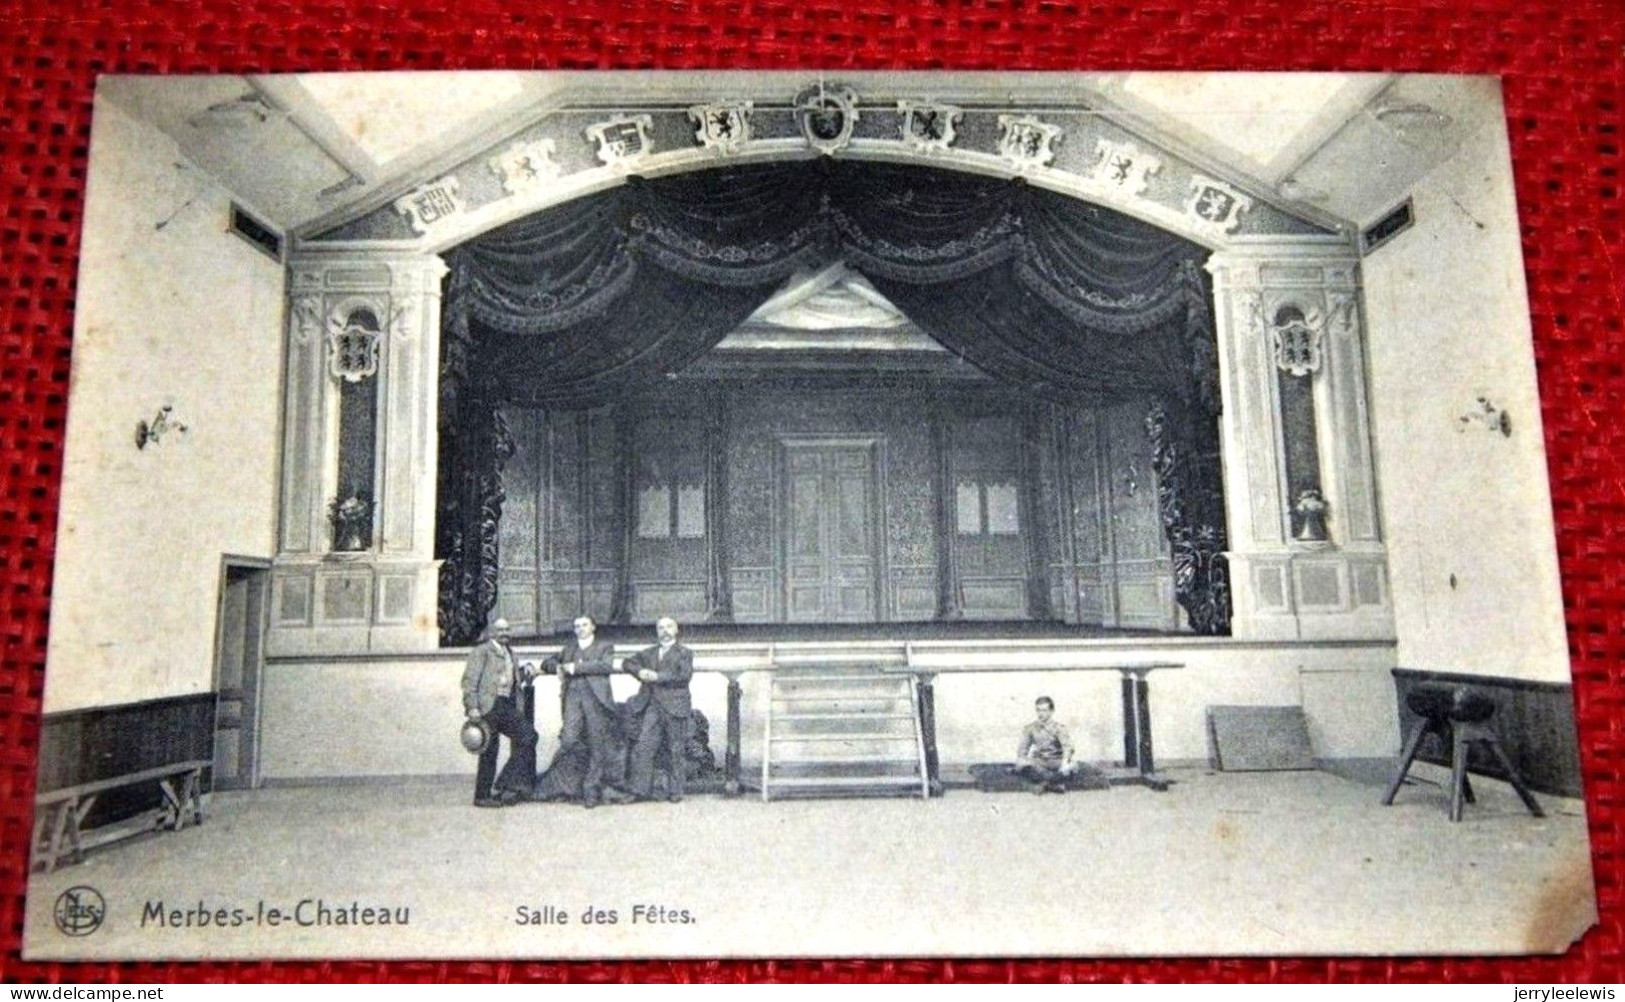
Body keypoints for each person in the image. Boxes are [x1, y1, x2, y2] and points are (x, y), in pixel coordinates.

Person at [538, 615, 618, 808]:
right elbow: (547, 662)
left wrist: (575, 667)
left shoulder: (604, 647)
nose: (580, 629)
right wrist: (556, 666)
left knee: (597, 745)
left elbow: (605, 665)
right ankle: (574, 784)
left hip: (596, 702)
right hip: (573, 702)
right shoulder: (569, 649)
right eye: (577, 626)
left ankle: (590, 790)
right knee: (569, 740)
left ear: (593, 627)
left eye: (584, 625)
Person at [460, 618, 537, 808]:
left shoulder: (510, 652)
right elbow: (470, 681)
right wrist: (472, 707)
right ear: (491, 632)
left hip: (506, 704)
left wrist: (525, 668)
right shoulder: (482, 651)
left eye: (507, 629)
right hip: (488, 706)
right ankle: (482, 796)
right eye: (500, 630)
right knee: (489, 751)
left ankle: (504, 781)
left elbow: (509, 675)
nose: (504, 633)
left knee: (528, 736)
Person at [623, 616, 695, 802]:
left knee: (676, 749)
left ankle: (676, 792)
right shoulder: (648, 653)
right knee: (644, 746)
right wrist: (639, 672)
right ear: (656, 631)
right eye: (660, 627)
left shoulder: (685, 652)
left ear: (676, 630)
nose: (665, 630)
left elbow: (684, 675)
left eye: (669, 626)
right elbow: (627, 662)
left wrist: (657, 676)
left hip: (675, 706)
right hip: (653, 706)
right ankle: (639, 791)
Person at [1015, 695, 1076, 794]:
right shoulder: (1030, 728)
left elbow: (1067, 748)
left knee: (1073, 767)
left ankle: (1043, 783)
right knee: (1022, 766)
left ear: (1051, 711)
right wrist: (1021, 760)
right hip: (1039, 762)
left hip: (1056, 761)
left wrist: (1064, 763)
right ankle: (1053, 783)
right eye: (1038, 710)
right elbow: (1022, 750)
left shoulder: (1059, 728)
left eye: (1044, 710)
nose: (1041, 714)